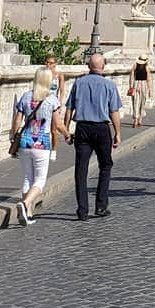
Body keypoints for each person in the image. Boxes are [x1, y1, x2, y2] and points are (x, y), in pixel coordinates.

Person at [64, 52, 123, 220]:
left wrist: (67, 130)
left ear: (89, 66)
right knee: (105, 165)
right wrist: (118, 133)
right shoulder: (109, 85)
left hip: (82, 128)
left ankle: (82, 210)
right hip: (101, 129)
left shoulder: (79, 83)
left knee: (81, 169)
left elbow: (69, 108)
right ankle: (101, 206)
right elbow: (114, 111)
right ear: (103, 67)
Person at [11, 67, 64, 225]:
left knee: (28, 177)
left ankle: (28, 214)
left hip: (25, 142)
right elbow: (58, 125)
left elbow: (17, 119)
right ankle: (26, 204)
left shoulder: (26, 96)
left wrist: (13, 137)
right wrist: (68, 135)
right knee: (40, 181)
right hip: (42, 143)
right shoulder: (52, 99)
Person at [129, 53, 151, 127]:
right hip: (144, 84)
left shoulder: (135, 65)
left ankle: (135, 120)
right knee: (142, 102)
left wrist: (131, 86)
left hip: (136, 83)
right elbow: (148, 79)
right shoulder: (147, 67)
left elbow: (131, 76)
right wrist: (150, 89)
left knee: (135, 102)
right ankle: (140, 120)